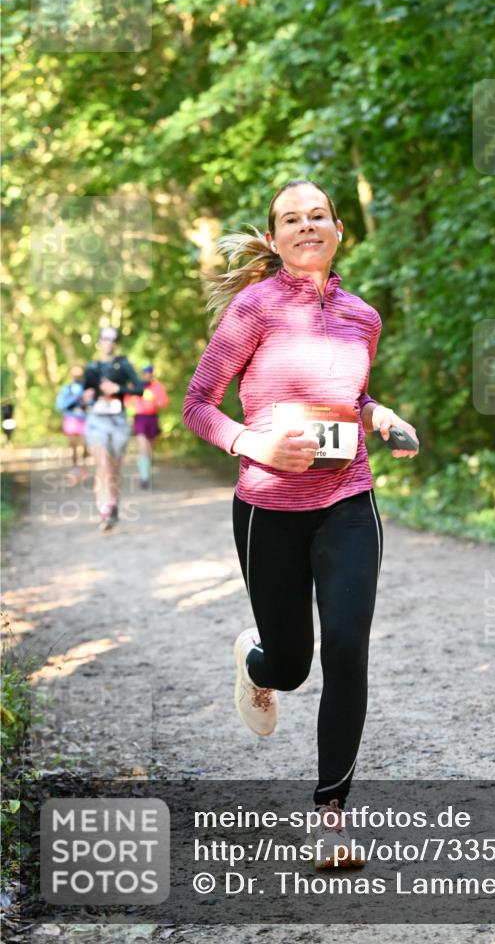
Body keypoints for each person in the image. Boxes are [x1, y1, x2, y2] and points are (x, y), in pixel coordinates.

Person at [183, 179, 419, 869]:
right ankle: (256, 660)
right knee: (291, 667)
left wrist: (379, 415)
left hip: (348, 502)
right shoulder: (253, 309)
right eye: (292, 219)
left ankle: (330, 818)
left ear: (339, 230)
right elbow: (198, 403)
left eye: (318, 215)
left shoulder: (362, 317)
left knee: (346, 648)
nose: (306, 225)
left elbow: (352, 396)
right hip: (269, 509)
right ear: (276, 237)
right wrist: (252, 443)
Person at [82, 327, 144, 532]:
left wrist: (118, 389)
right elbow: (85, 394)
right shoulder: (92, 367)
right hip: (96, 420)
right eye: (104, 339)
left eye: (112, 339)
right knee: (103, 465)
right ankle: (105, 512)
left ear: (116, 343)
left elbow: (139, 389)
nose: (108, 342)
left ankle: (113, 502)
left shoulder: (123, 365)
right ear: (99, 341)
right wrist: (86, 397)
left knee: (114, 469)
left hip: (118, 421)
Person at [124, 365, 169, 488]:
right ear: (142, 374)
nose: (147, 376)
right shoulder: (135, 386)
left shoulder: (157, 387)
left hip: (152, 418)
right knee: (143, 447)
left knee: (150, 449)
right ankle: (144, 477)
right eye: (145, 373)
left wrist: (153, 399)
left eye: (149, 374)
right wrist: (135, 399)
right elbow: (126, 402)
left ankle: (146, 472)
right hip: (139, 418)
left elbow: (164, 403)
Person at [55, 365, 89, 483]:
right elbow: (60, 405)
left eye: (79, 375)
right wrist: (75, 398)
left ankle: (83, 467)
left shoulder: (86, 387)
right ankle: (75, 469)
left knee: (85, 445)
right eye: (75, 374)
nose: (77, 377)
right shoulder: (67, 388)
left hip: (85, 418)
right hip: (71, 419)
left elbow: (92, 402)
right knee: (73, 446)